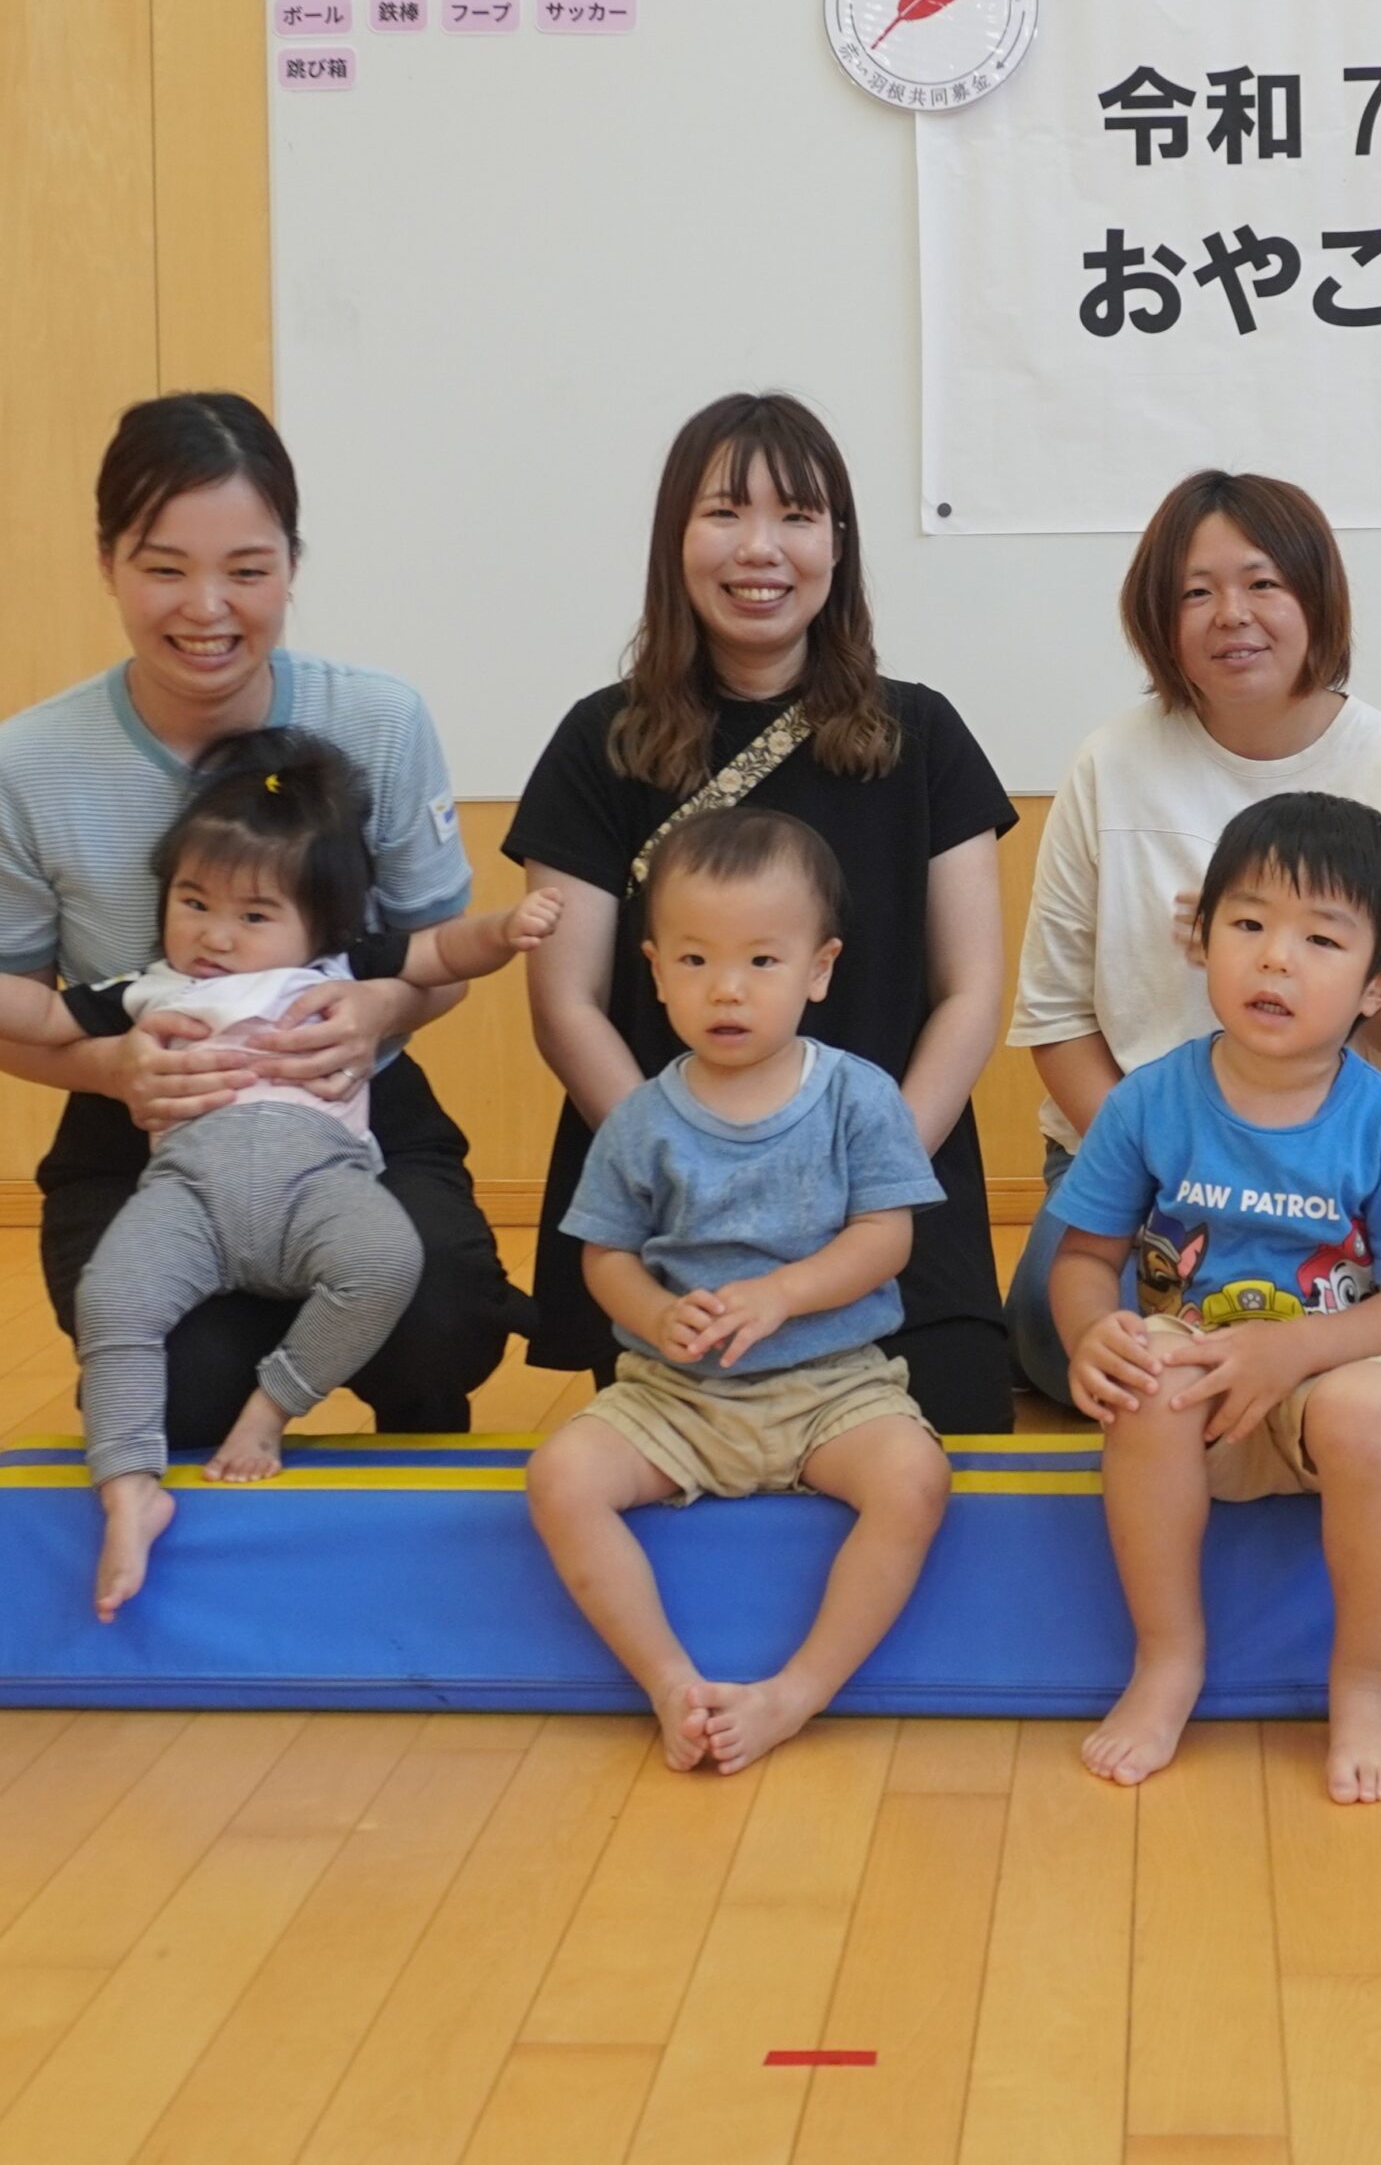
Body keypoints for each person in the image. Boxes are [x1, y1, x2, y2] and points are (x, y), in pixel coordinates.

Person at [0, 392, 525, 1453]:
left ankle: (416, 1425)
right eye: (164, 568)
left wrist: (375, 1011)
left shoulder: (379, 719)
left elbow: (439, 959)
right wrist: (115, 1070)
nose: (208, 609)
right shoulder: (29, 762)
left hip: (345, 1107)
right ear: (107, 561)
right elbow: (24, 1010)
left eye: (247, 570)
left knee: (439, 1318)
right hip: (142, 1131)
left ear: (292, 563)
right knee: (180, 1384)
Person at [508, 392, 1018, 1434]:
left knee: (953, 1429)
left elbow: (971, 991)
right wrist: (678, 1167)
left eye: (796, 514)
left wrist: (870, 1180)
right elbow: (567, 1004)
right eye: (724, 512)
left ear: (838, 542)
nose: (760, 548)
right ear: (675, 537)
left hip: (887, 1199)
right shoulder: (599, 742)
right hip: (667, 1212)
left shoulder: (923, 733)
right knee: (665, 1452)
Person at [0, 730, 559, 1617]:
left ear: (320, 926)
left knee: (389, 1261)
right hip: (186, 1199)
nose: (214, 936)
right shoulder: (149, 988)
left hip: (320, 1189)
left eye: (254, 916)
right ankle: (129, 1486)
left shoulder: (335, 972)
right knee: (115, 1298)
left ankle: (271, 1407)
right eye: (193, 903)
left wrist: (505, 928)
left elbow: (444, 955)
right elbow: (36, 1015)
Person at [1008, 469, 1381, 1405]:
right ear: (1158, 619)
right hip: (1138, 1151)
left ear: (1316, 596)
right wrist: (1157, 1158)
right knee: (1052, 1326)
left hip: (1343, 1162)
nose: (1231, 614)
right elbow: (1055, 1017)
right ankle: (1334, 1357)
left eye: (1263, 583)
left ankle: (1343, 1353)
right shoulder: (1112, 762)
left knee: (1223, 1357)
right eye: (1196, 592)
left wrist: (1329, 956)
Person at [1050, 793, 1381, 1804]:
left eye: (1320, 940)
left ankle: (1366, 1684)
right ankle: (1167, 1660)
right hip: (1208, 1394)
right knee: (1149, 1380)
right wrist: (1093, 1331)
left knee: (1363, 1408)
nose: (1275, 959)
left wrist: (1292, 1352)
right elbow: (1082, 1259)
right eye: (1247, 924)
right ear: (1201, 940)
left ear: (1380, 984)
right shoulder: (1148, 1100)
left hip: (1346, 1382)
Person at [524, 809, 953, 1776]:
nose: (727, 988)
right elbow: (606, 1258)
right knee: (561, 1478)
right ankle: (671, 1682)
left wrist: (784, 1295)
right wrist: (654, 1312)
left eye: (762, 961)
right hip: (677, 1396)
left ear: (819, 969)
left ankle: (797, 1692)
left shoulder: (857, 1097)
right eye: (695, 960)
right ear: (654, 970)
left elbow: (886, 1239)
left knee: (915, 1480)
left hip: (833, 1385)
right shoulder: (640, 1119)